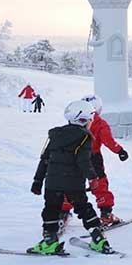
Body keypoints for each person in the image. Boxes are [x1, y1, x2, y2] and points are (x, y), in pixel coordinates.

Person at [30, 99, 111, 255]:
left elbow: (44, 160)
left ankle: (49, 241)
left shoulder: (55, 136)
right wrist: (93, 179)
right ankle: (98, 238)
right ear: (83, 121)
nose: (90, 123)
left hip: (53, 183)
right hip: (74, 183)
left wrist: (37, 181)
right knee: (83, 208)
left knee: (51, 209)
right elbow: (84, 161)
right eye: (89, 120)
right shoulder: (85, 137)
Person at [62, 97, 130, 226]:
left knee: (72, 183)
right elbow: (108, 141)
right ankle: (106, 213)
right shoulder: (100, 123)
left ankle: (63, 211)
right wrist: (120, 151)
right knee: (100, 183)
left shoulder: (75, 120)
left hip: (74, 157)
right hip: (93, 157)